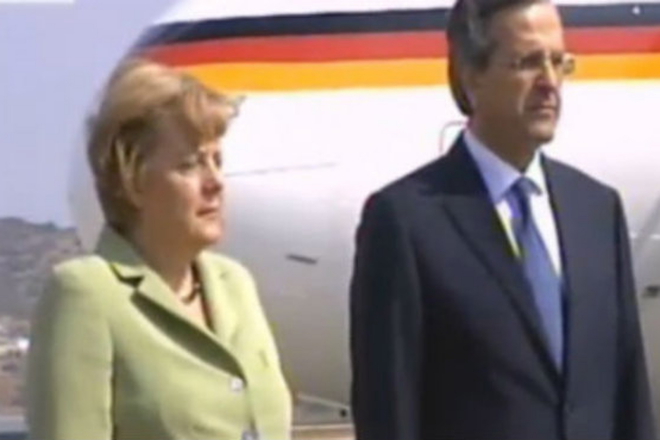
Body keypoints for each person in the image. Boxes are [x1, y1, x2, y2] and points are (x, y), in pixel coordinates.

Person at [349, 0, 656, 439]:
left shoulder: (597, 211)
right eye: (527, 63)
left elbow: (629, 396)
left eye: (559, 62)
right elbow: (389, 411)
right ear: (472, 74)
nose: (549, 82)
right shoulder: (405, 222)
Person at [26, 58, 292, 440]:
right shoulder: (86, 294)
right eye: (190, 165)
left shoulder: (235, 283)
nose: (215, 182)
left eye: (217, 161)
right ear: (132, 179)